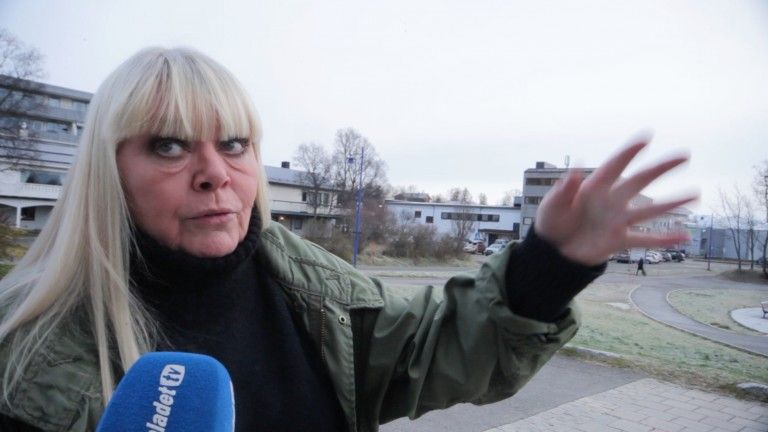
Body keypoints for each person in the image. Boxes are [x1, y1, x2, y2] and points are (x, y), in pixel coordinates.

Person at [0, 48, 694, 431]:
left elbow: (437, 346)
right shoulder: (25, 349)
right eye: (169, 145)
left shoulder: (312, 288)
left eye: (234, 143)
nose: (215, 173)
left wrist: (550, 264)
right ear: (108, 172)